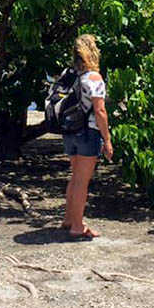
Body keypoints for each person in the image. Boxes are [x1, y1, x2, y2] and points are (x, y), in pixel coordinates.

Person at [61, 34, 113, 240]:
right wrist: (107, 139)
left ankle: (69, 218)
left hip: (70, 131)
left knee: (75, 177)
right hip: (87, 132)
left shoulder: (69, 74)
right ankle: (77, 225)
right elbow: (100, 111)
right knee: (83, 181)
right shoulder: (94, 78)